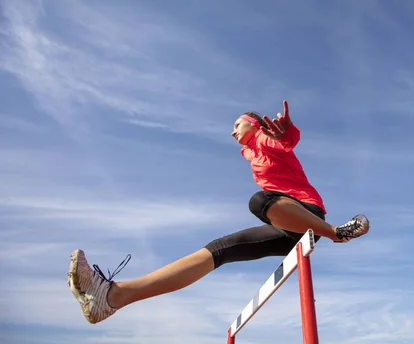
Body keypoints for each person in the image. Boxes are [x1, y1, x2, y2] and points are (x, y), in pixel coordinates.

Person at [67, 100, 370, 324]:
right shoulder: (250, 151)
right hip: (288, 228)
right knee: (219, 250)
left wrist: (284, 133)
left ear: (254, 123)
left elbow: (286, 141)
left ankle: (336, 233)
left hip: (306, 213)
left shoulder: (266, 140)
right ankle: (111, 298)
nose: (231, 132)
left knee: (260, 202)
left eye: (237, 125)